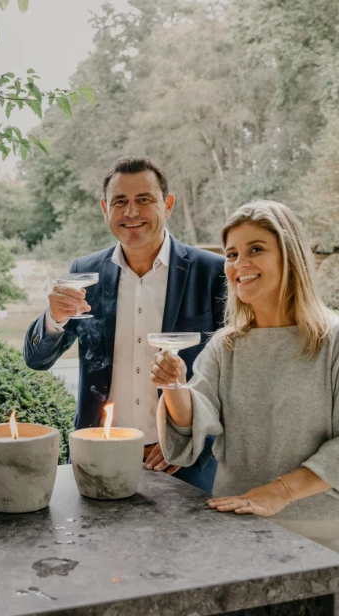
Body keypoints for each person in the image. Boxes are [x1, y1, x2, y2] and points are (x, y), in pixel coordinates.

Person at [23, 156, 225, 492]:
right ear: (105, 209)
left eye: (144, 200)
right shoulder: (85, 272)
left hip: (185, 465)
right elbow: (37, 360)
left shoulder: (212, 272)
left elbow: (229, 380)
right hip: (99, 456)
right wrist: (54, 318)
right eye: (120, 202)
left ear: (168, 204)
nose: (131, 212)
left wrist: (188, 439)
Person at [151, 200, 339, 552]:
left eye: (256, 249)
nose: (240, 264)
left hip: (321, 534)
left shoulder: (334, 342)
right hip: (235, 527)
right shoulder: (226, 347)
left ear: (290, 255)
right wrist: (173, 386)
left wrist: (279, 492)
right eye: (232, 254)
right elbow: (195, 419)